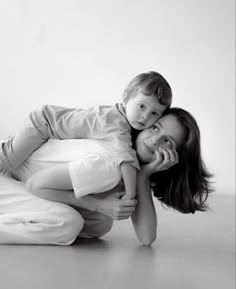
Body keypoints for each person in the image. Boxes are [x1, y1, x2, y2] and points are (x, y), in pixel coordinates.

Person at [0, 108, 212, 245]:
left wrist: (143, 176)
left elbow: (146, 238)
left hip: (21, 183)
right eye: (155, 127)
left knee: (100, 223)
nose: (155, 139)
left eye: (168, 142)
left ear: (174, 158)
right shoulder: (111, 163)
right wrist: (98, 205)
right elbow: (35, 184)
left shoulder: (128, 165)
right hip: (7, 177)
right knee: (68, 223)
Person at [0, 71, 172, 201]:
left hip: (46, 125)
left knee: (10, 158)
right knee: (8, 160)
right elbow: (126, 159)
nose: (145, 116)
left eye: (154, 113)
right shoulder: (117, 125)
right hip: (43, 123)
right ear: (126, 98)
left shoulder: (118, 118)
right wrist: (131, 193)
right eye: (141, 106)